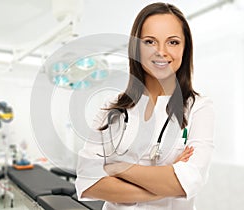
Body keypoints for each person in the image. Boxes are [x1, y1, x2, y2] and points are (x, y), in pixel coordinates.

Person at [75, 2, 214, 210]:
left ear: (185, 49)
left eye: (173, 42)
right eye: (150, 41)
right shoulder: (111, 110)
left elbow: (189, 181)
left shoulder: (199, 109)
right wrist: (168, 178)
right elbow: (88, 183)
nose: (161, 52)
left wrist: (117, 167)